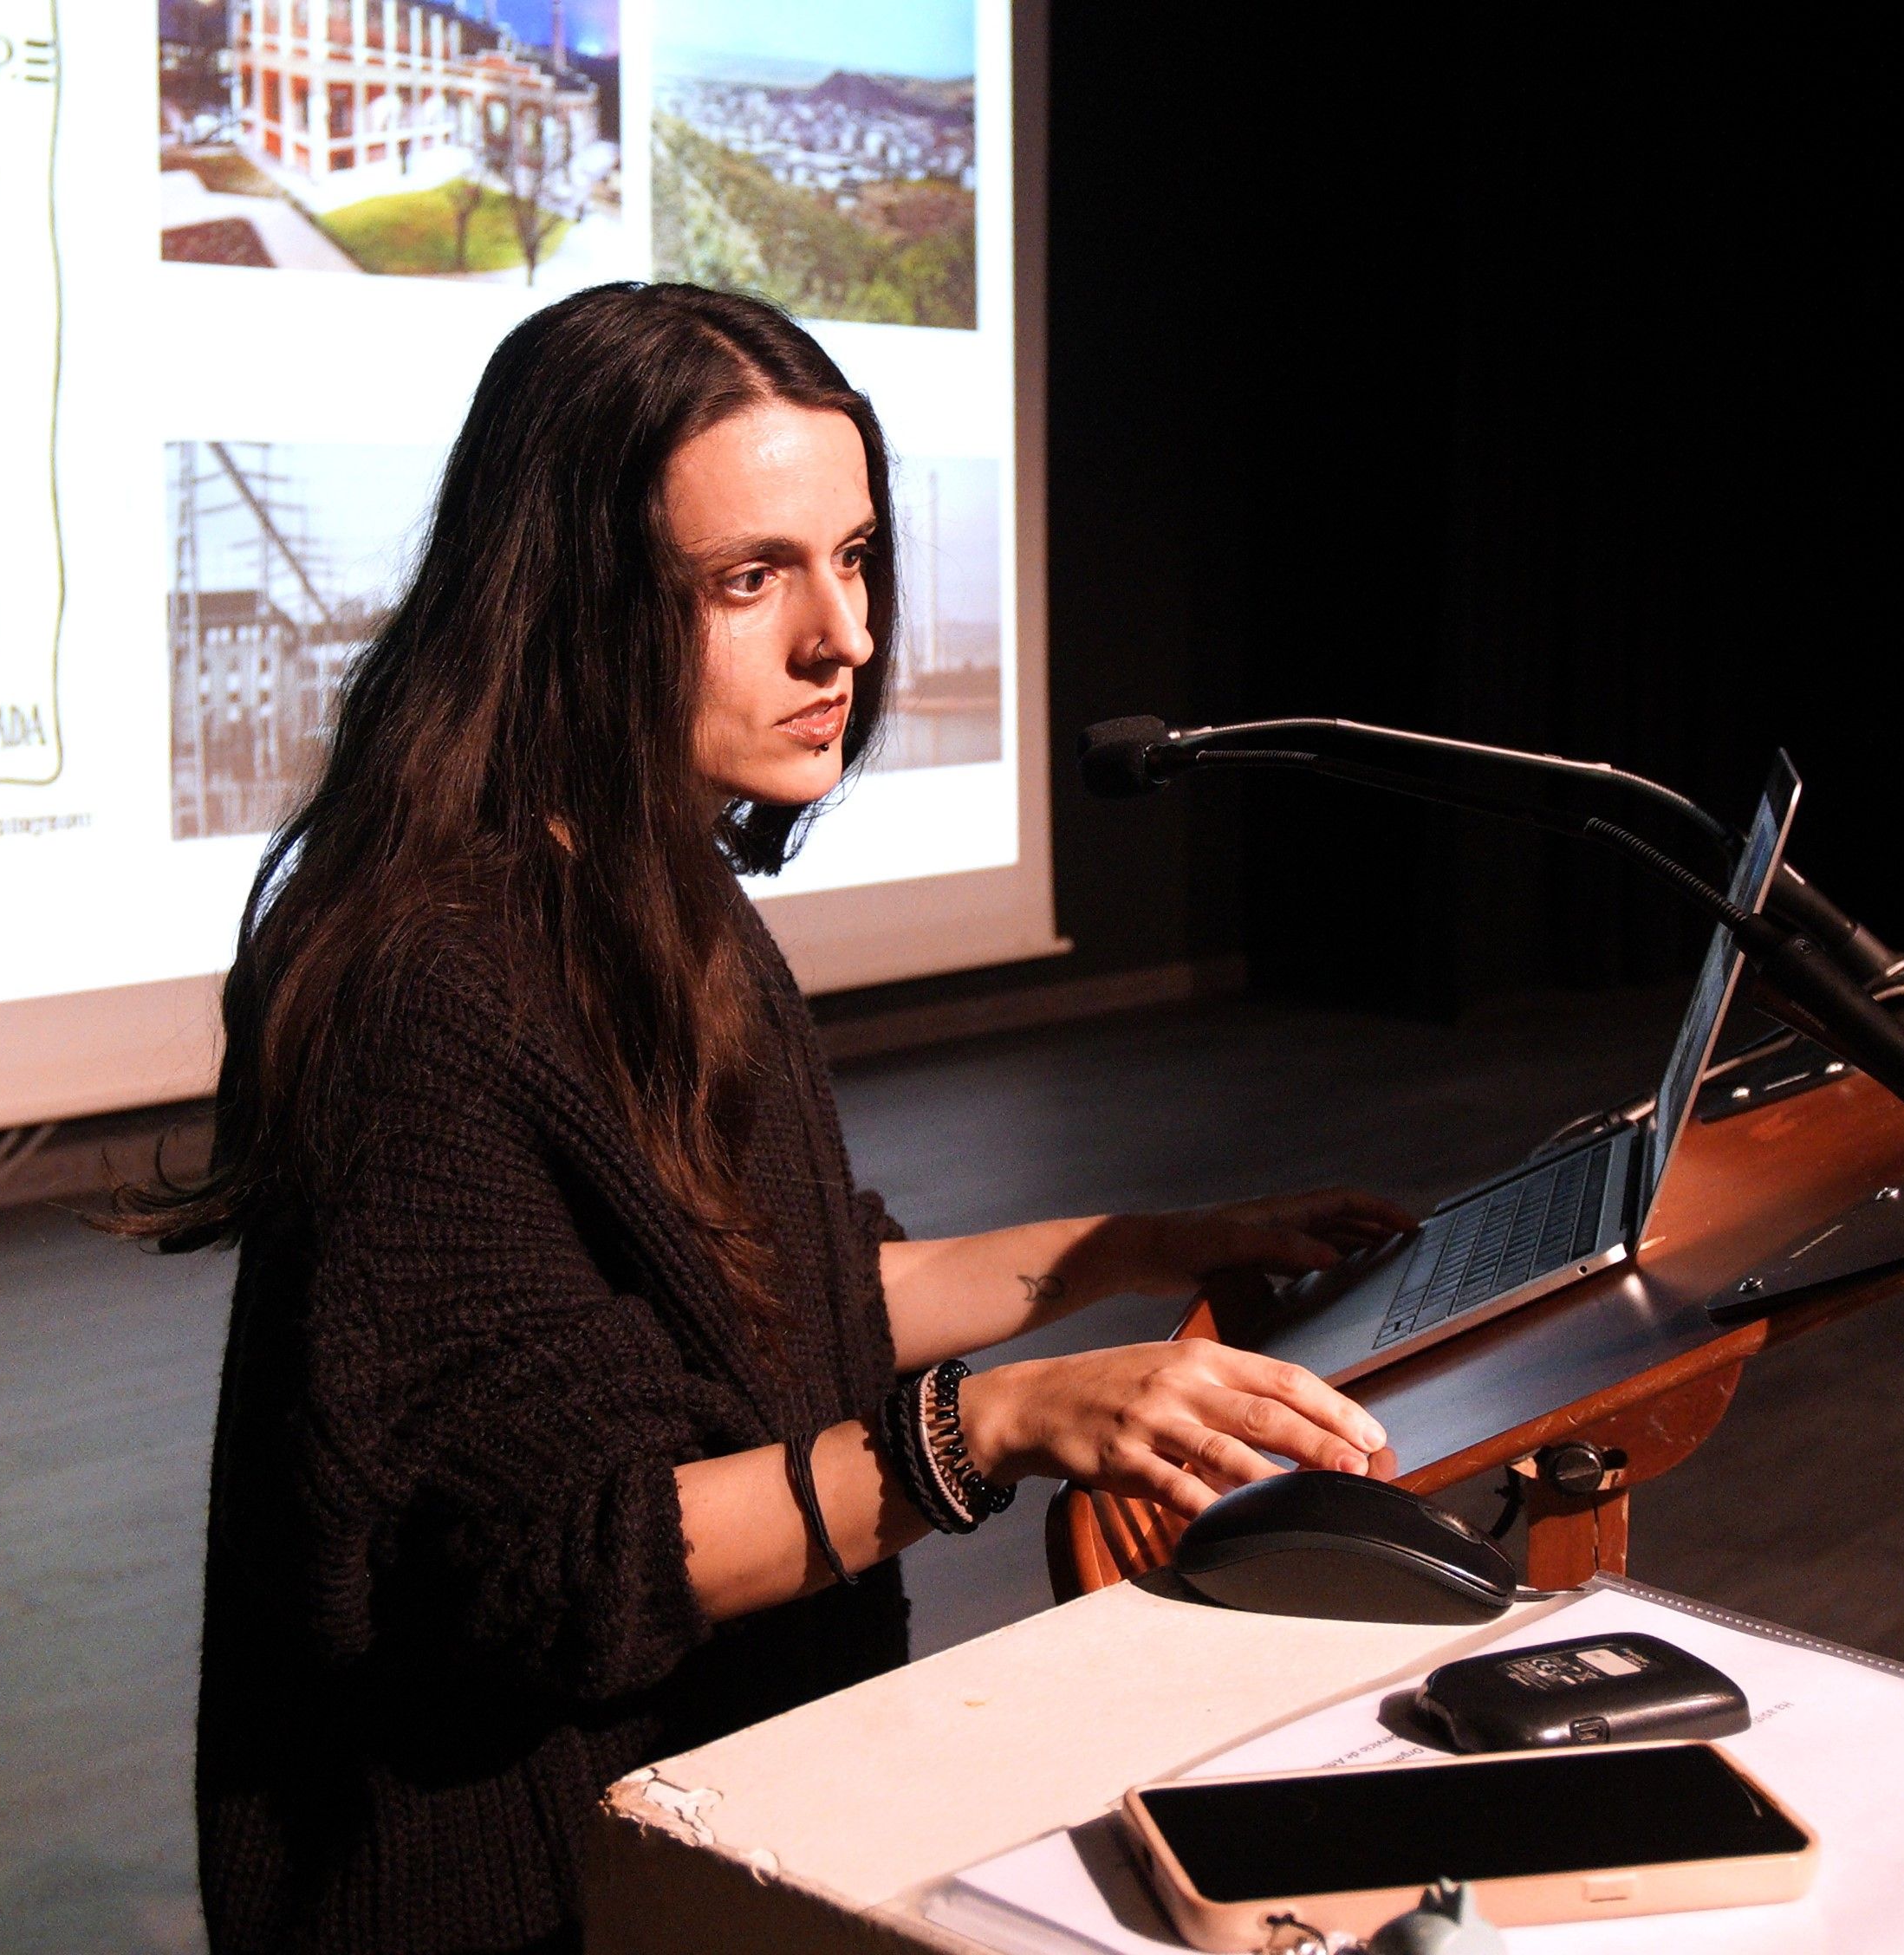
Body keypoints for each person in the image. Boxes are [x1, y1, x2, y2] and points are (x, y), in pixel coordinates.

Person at [118, 283, 1408, 1955]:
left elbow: (789, 1302)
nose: (844, 639)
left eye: (854, 556)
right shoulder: (432, 988)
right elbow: (545, 1572)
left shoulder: (667, 899)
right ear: (570, 605)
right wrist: (992, 1428)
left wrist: (1154, 1250)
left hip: (716, 1816)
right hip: (523, 1895)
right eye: (750, 579)